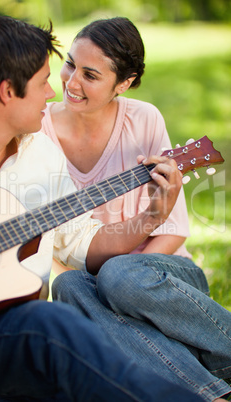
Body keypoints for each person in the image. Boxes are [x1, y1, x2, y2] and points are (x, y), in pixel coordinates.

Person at [0, 14, 210, 402]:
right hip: (9, 334)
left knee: (69, 321)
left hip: (1, 335)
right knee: (57, 315)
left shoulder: (41, 155)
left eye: (89, 74)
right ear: (8, 91)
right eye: (45, 80)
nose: (55, 90)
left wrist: (151, 217)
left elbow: (80, 239)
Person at [40, 17, 231, 401]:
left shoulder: (142, 119)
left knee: (119, 277)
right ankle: (212, 394)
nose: (71, 82)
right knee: (68, 284)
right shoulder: (37, 129)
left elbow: (173, 229)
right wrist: (103, 288)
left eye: (90, 75)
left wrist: (118, 282)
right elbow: (49, 250)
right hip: (86, 284)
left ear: (122, 84)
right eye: (70, 64)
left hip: (163, 283)